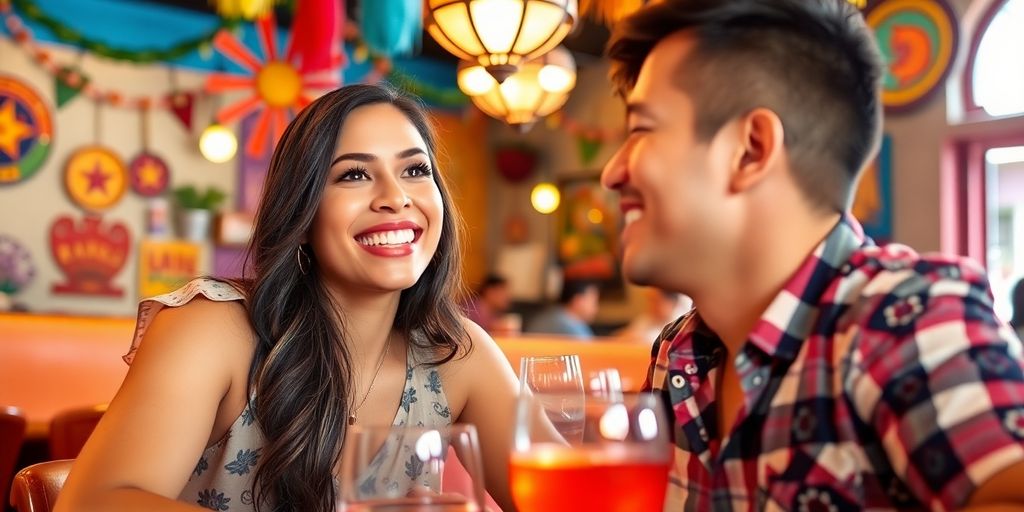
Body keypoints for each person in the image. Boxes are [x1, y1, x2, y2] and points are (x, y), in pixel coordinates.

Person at [601, 0, 1024, 510]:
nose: (612, 173)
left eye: (641, 130)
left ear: (751, 150)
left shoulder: (902, 317)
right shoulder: (680, 354)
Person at [55, 84, 520, 512]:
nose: (396, 197)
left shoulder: (456, 354)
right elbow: (92, 502)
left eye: (415, 170)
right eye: (354, 175)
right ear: (302, 211)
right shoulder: (213, 329)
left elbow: (563, 488)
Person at [525, 278, 600, 339]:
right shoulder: (571, 326)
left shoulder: (549, 314)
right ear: (578, 301)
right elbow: (591, 351)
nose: (596, 308)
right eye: (594, 301)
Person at [614, 287, 691, 345]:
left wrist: (641, 339)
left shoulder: (682, 322)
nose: (651, 306)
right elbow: (623, 337)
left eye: (656, 301)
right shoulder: (646, 319)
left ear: (671, 302)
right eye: (650, 301)